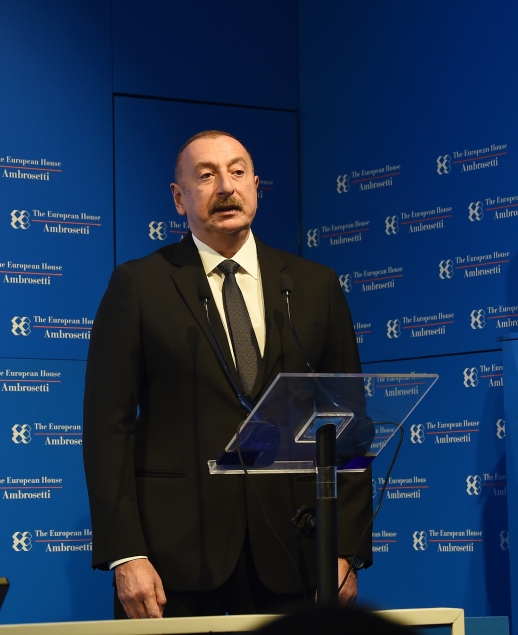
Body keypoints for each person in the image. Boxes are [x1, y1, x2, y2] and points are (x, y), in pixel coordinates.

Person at [83, 130, 372, 619]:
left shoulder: (313, 286)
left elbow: (348, 425)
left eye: (237, 172)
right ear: (179, 198)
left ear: (256, 186)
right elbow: (106, 429)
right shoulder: (139, 285)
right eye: (206, 175)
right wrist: (126, 553)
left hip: (294, 556)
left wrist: (345, 549)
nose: (225, 186)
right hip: (174, 560)